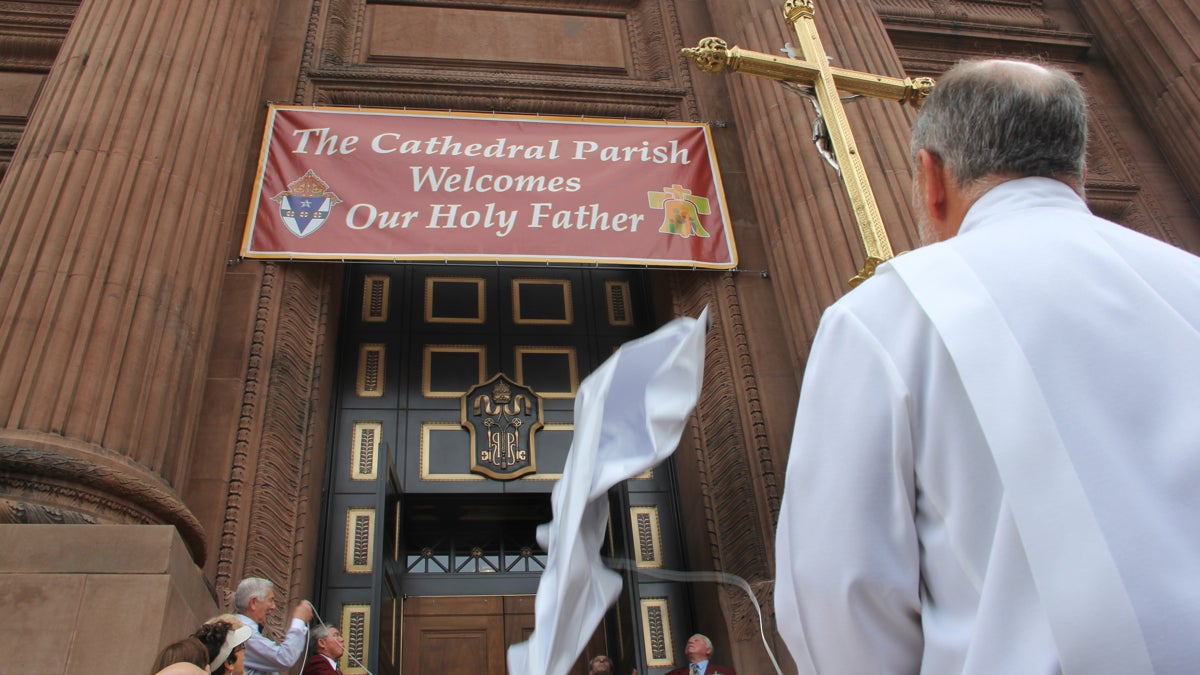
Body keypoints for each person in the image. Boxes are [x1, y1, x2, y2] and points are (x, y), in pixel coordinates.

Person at [774, 57, 1200, 674]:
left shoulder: (888, 313)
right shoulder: (1188, 283)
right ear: (1078, 169)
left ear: (932, 177)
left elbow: (838, 590)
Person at [233, 577, 314, 675]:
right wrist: (299, 621)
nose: (273, 607)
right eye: (270, 600)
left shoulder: (241, 628)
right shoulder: (243, 632)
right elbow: (284, 658)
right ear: (253, 602)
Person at [665, 634, 735, 675]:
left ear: (708, 650)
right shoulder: (673, 674)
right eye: (688, 642)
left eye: (696, 641)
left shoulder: (726, 672)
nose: (690, 642)